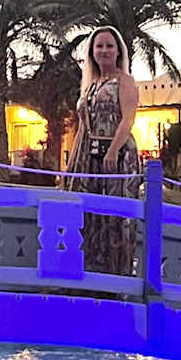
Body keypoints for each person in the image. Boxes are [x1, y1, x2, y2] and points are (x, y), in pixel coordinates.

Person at [65, 26, 141, 274]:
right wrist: (73, 163)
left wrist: (113, 150)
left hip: (117, 157)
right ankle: (90, 273)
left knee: (115, 215)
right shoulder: (91, 84)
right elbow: (83, 125)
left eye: (109, 46)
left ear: (118, 51)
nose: (104, 50)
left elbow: (128, 119)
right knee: (89, 214)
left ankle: (116, 274)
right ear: (92, 51)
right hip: (90, 156)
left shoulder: (124, 81)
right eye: (99, 46)